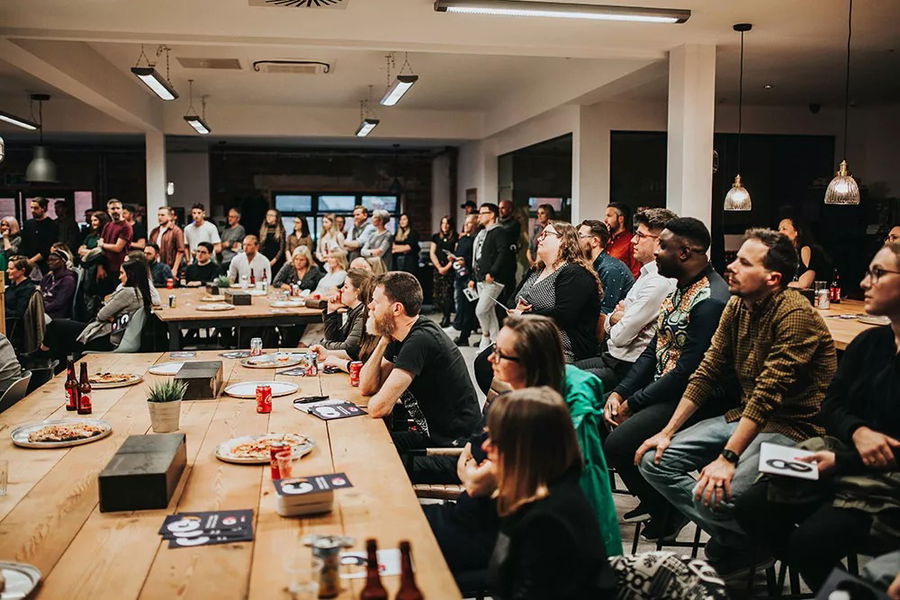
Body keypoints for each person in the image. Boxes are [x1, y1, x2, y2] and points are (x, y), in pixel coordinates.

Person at [635, 228, 838, 578]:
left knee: (716, 494)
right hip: (743, 416)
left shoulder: (795, 314)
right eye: (735, 258)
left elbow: (767, 396)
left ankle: (760, 541)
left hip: (797, 431)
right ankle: (750, 543)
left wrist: (728, 459)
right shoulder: (737, 304)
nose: (731, 267)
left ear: (773, 278)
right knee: (655, 461)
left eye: (744, 262)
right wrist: (667, 432)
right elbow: (708, 370)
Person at [733, 241, 900, 591]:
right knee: (750, 505)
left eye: (878, 273)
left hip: (884, 478)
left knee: (811, 543)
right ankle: (835, 590)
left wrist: (841, 459)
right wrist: (856, 432)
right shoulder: (872, 342)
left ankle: (848, 595)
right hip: (841, 454)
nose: (865, 283)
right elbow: (833, 403)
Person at [602, 217, 730, 542]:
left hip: (698, 398)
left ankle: (669, 509)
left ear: (685, 252)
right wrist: (621, 392)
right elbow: (652, 352)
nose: (655, 252)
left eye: (662, 246)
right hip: (667, 386)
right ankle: (660, 506)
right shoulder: (679, 288)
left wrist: (635, 402)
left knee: (619, 443)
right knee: (601, 415)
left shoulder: (711, 300)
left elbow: (689, 372)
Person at [486, 387, 618, 600]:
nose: (486, 446)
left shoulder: (548, 519)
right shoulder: (540, 491)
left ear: (525, 448)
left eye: (496, 439)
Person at [359, 272, 481, 454]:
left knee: (374, 458)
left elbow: (378, 408)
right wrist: (383, 341)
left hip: (455, 449)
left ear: (396, 309)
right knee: (364, 444)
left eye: (376, 302)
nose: (370, 306)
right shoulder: (400, 335)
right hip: (430, 436)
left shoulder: (420, 340)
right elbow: (367, 387)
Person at [578, 208, 677, 390]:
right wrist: (617, 317)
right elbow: (613, 320)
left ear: (660, 241)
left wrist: (619, 317)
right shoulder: (646, 273)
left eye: (640, 235)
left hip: (627, 366)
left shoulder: (659, 280)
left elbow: (620, 337)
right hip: (613, 356)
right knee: (561, 372)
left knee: (567, 382)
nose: (633, 240)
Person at [514, 221, 602, 362]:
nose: (539, 238)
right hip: (533, 333)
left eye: (546, 234)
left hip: (564, 343)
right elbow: (514, 298)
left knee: (499, 363)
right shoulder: (537, 269)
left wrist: (524, 315)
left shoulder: (575, 273)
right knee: (488, 360)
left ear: (564, 241)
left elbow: (564, 315)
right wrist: (517, 309)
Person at [30, 259, 152, 361]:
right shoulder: (141, 291)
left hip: (106, 338)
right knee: (61, 334)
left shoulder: (127, 292)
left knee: (56, 326)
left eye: (122, 273)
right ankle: (47, 358)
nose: (119, 277)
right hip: (112, 334)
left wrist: (110, 313)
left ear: (130, 274)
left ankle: (41, 354)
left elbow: (101, 315)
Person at [470, 203, 516, 350]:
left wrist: (493, 272)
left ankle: (485, 335)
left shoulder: (499, 232)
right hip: (481, 277)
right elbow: (478, 256)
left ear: (491, 215)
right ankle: (495, 342)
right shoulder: (483, 233)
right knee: (489, 311)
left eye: (483, 213)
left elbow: (503, 254)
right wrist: (474, 276)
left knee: (481, 310)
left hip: (493, 279)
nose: (480, 216)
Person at [309, 268, 375, 363]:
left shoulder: (363, 313)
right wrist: (331, 311)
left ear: (358, 292)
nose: (341, 290)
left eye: (346, 287)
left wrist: (323, 344)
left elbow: (349, 349)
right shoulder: (354, 311)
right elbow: (335, 339)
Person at [578, 219, 634, 315]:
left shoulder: (610, 269)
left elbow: (605, 312)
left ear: (595, 241)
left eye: (580, 236)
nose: (575, 240)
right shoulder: (591, 266)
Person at [778, 216, 831, 289]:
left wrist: (780, 284)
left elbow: (804, 284)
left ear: (796, 232)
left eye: (784, 229)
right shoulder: (784, 254)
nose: (780, 232)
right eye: (779, 229)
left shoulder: (805, 249)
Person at [450, 214, 479, 346]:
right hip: (459, 276)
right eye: (465, 223)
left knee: (468, 308)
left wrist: (464, 262)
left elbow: (474, 260)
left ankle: (465, 336)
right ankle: (461, 331)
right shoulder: (462, 239)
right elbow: (458, 255)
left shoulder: (475, 240)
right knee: (461, 306)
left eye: (469, 223)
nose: (466, 225)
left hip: (469, 277)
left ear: (475, 224)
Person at [430, 216, 458, 329]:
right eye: (443, 223)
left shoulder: (455, 237)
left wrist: (446, 267)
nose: (445, 226)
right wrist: (439, 267)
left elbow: (455, 254)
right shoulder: (436, 237)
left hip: (450, 268)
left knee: (448, 294)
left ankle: (447, 317)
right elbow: (432, 253)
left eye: (447, 224)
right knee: (438, 295)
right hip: (438, 268)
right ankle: (443, 314)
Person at [21, 197, 59, 275]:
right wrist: (25, 261)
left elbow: (48, 247)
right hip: (27, 262)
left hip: (44, 263)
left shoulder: (52, 225)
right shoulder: (28, 224)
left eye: (36, 208)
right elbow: (23, 244)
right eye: (31, 208)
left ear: (43, 208)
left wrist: (32, 260)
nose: (32, 211)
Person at [605, 202, 640, 278]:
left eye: (609, 216)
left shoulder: (631, 241)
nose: (605, 220)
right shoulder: (606, 239)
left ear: (620, 219)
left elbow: (636, 272)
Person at [148, 206, 186, 276]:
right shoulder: (154, 231)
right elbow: (149, 249)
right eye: (158, 215)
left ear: (170, 217)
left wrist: (175, 269)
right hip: (155, 267)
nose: (159, 217)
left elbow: (180, 251)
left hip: (169, 266)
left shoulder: (176, 231)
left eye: (162, 215)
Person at [40, 249, 77, 319]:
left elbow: (59, 303)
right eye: (49, 260)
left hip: (55, 314)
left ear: (63, 261)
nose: (50, 262)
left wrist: (40, 309)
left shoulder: (68, 280)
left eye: (53, 260)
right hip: (42, 309)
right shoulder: (48, 277)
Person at [4, 255, 38, 321]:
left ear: (22, 270)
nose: (7, 271)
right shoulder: (12, 287)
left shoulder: (28, 288)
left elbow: (18, 314)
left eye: (11, 269)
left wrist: (2, 310)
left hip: (13, 325)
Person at [527, 203, 555, 267]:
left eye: (542, 213)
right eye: (538, 213)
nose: (539, 215)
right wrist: (531, 261)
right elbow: (529, 248)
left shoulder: (553, 230)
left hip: (546, 264)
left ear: (548, 214)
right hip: (533, 264)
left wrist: (538, 262)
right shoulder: (536, 229)